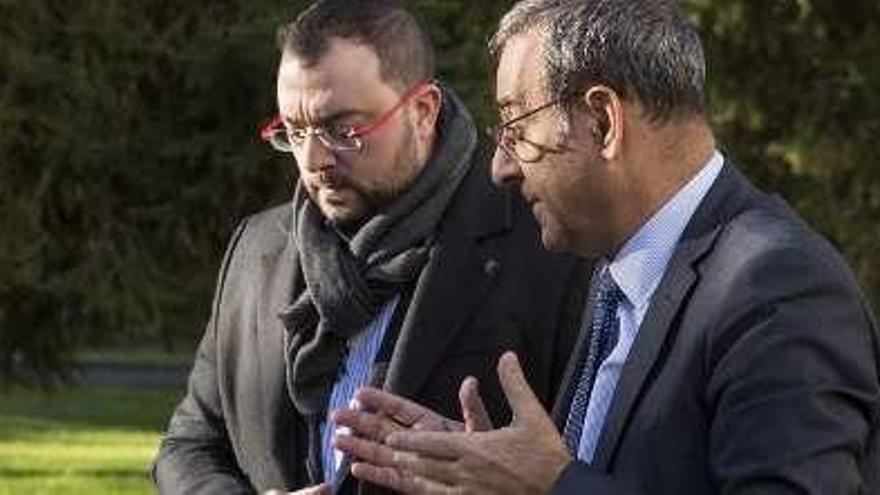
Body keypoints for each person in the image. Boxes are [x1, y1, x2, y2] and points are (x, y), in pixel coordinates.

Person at [332, 0, 880, 493]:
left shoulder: (778, 287)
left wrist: (554, 484)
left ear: (602, 121)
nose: (499, 167)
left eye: (516, 127)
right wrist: (497, 476)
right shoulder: (616, 275)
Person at [150, 0, 591, 493]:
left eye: (345, 130)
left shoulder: (551, 245)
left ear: (423, 111)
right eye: (295, 132)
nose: (314, 158)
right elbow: (189, 446)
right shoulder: (256, 251)